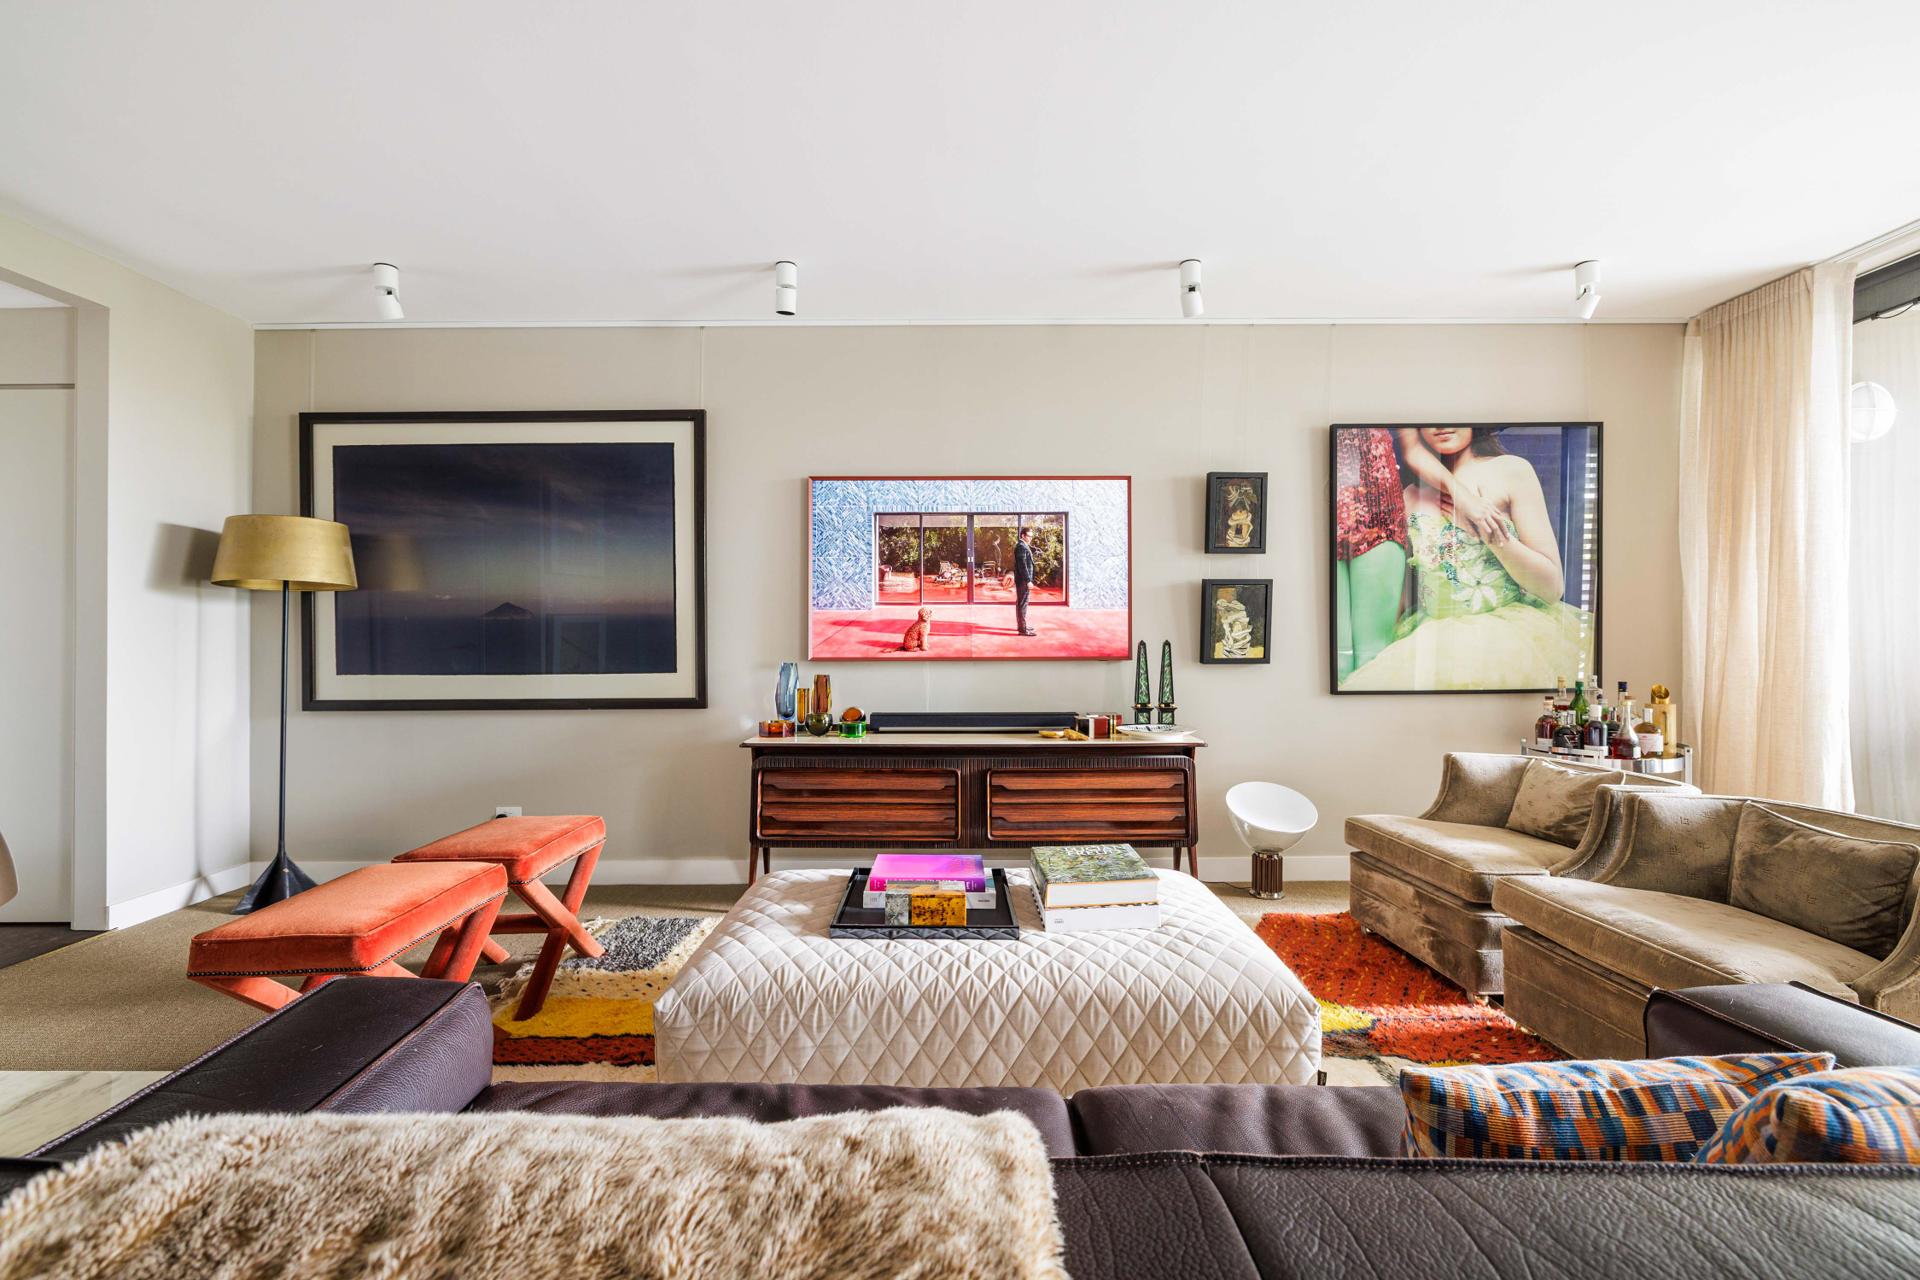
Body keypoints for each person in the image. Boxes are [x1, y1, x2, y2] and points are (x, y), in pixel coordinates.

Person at [1341, 426, 1592, 691]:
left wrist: (1489, 533)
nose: (1442, 426)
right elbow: (1404, 591)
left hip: (1509, 642)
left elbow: (1552, 588)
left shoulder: (1511, 471)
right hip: (1430, 645)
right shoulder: (1410, 494)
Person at [1013, 526, 1037, 636]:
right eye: (1029, 536)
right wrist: (1028, 580)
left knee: (1021, 603)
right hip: (1023, 581)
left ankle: (1022, 626)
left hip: (1023, 580)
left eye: (1032, 536)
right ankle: (1022, 630)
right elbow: (1022, 566)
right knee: (1022, 604)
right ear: (1023, 535)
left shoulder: (1023, 545)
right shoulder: (1021, 547)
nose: (1030, 538)